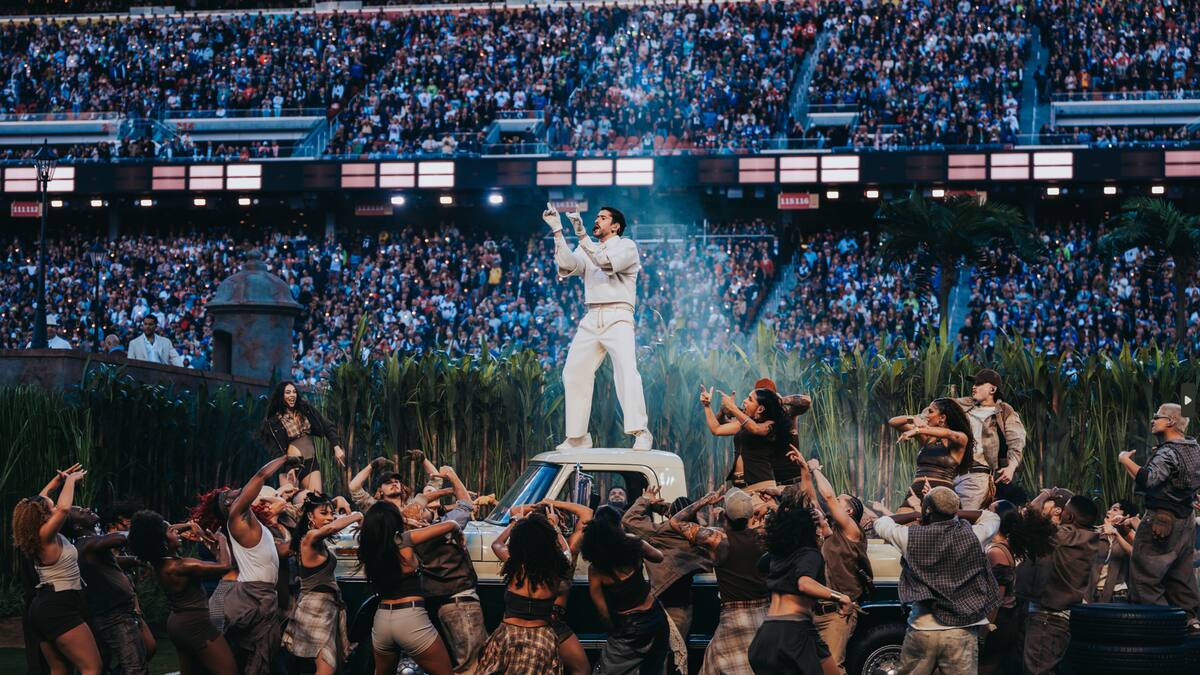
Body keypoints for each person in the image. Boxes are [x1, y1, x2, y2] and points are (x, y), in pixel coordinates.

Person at [545, 202, 652, 451]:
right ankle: (578, 437)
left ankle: (641, 431)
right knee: (573, 371)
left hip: (618, 314)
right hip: (592, 315)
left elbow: (605, 263)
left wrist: (582, 236)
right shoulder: (588, 248)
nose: (597, 220)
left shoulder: (627, 246)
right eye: (596, 217)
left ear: (615, 226)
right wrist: (558, 231)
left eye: (602, 218)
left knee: (626, 371)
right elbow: (568, 266)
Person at [873, 487, 1000, 675]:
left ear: (928, 510)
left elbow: (881, 523)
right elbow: (991, 517)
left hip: (922, 627)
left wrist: (918, 514)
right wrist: (953, 510)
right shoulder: (974, 535)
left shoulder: (909, 537)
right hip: (961, 630)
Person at [195, 455, 299, 674]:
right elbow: (261, 475)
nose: (235, 492)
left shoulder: (255, 525)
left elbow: (278, 552)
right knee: (216, 640)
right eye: (228, 495)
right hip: (249, 594)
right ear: (228, 506)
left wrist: (300, 537)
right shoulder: (236, 518)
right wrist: (286, 458)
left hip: (264, 596)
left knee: (260, 659)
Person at [748, 489, 853, 675]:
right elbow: (804, 583)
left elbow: (762, 564)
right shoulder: (810, 554)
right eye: (822, 523)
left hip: (766, 635)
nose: (826, 527)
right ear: (812, 529)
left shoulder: (778, 554)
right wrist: (841, 597)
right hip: (794, 632)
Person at [11, 464, 102, 675]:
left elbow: (39, 502)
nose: (55, 510)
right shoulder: (45, 535)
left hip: (43, 606)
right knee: (92, 667)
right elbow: (62, 509)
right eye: (49, 508)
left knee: (59, 669)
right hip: (58, 605)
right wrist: (71, 481)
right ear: (42, 516)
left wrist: (56, 482)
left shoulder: (35, 533)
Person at [1118, 402, 1200, 632]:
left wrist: (1125, 459)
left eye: (1158, 416)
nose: (1153, 420)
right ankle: (1190, 621)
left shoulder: (1168, 451)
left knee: (1145, 577)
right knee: (1182, 577)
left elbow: (1150, 479)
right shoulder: (1195, 448)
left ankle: (1163, 626)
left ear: (1171, 422)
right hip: (1186, 519)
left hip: (1162, 520)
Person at [670, 488, 769, 675]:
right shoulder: (764, 536)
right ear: (750, 514)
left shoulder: (718, 539)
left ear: (725, 515)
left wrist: (704, 501)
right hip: (763, 613)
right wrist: (771, 504)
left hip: (734, 617)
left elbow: (676, 521)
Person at [127, 513, 237, 675]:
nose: (177, 533)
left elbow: (163, 530)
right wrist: (221, 539)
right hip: (195, 623)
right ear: (162, 542)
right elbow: (225, 566)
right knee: (229, 671)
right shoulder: (182, 566)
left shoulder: (159, 562)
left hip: (177, 624)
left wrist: (189, 525)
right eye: (172, 532)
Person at [494, 499, 593, 675]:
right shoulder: (561, 561)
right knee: (581, 669)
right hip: (547, 624)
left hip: (511, 630)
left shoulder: (516, 564)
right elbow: (587, 514)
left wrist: (518, 521)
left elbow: (498, 543)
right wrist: (553, 516)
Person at [357, 500, 456, 675]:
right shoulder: (404, 540)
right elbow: (447, 526)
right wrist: (456, 528)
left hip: (381, 620)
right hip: (411, 618)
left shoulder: (368, 549)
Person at [406, 465, 487, 673]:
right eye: (426, 509)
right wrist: (452, 476)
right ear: (419, 519)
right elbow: (466, 505)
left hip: (442, 603)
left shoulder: (410, 536)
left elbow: (416, 506)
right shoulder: (442, 528)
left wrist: (440, 492)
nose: (431, 508)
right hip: (461, 603)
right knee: (472, 666)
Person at [622, 486, 713, 667]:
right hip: (683, 607)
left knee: (658, 657)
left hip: (662, 603)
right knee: (677, 657)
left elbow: (629, 519)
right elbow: (686, 515)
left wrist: (647, 500)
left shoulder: (662, 532)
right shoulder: (700, 534)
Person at [916, 370, 1027, 508]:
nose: (974, 387)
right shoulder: (962, 404)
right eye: (974, 383)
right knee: (934, 513)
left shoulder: (1004, 411)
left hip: (976, 473)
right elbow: (934, 409)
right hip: (948, 472)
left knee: (961, 518)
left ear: (992, 389)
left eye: (979, 384)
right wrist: (917, 422)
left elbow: (1016, 441)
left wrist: (1011, 467)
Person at [477, 510, 572, 674]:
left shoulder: (515, 566)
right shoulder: (555, 572)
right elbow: (566, 551)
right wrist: (555, 528)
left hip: (508, 636)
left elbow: (497, 544)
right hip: (541, 640)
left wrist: (515, 523)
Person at [581, 505, 670, 674]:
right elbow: (659, 557)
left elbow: (602, 611)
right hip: (655, 617)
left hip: (628, 627)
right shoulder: (634, 545)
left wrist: (615, 631)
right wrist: (631, 538)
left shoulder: (596, 569)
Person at [282, 493, 362, 675]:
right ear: (310, 516)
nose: (329, 517)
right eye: (324, 513)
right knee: (327, 667)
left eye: (331, 513)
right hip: (314, 608)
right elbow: (331, 528)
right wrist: (357, 515)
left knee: (330, 665)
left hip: (327, 608)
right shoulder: (309, 538)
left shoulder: (318, 542)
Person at [1021, 495, 1100, 675]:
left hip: (1047, 618)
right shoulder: (1088, 538)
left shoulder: (1063, 537)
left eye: (1064, 510)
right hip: (1062, 617)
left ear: (1070, 517)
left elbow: (1028, 515)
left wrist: (1045, 495)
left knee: (1037, 670)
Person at [808, 459, 871, 675]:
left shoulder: (853, 532)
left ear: (850, 512)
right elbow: (814, 499)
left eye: (840, 500)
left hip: (837, 613)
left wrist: (815, 468)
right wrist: (802, 468)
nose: (835, 500)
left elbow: (826, 496)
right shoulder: (832, 534)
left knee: (832, 667)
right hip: (815, 611)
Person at [74, 504, 149, 675]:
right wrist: (147, 527)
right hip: (115, 616)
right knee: (135, 668)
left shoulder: (90, 545)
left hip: (117, 612)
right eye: (79, 511)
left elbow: (111, 561)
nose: (86, 509)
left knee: (133, 659)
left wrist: (136, 560)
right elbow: (118, 540)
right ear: (77, 526)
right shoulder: (87, 543)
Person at [259, 381, 347, 492]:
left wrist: (336, 447)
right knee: (290, 505)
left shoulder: (305, 410)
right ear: (281, 396)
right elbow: (275, 451)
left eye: (294, 392)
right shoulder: (274, 422)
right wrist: (288, 468)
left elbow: (327, 425)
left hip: (310, 462)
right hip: (290, 466)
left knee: (315, 499)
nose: (292, 395)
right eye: (288, 392)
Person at [701, 386, 791, 490]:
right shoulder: (744, 424)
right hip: (740, 488)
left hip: (761, 487)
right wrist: (707, 406)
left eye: (750, 399)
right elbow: (716, 429)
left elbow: (755, 429)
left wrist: (732, 407)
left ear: (760, 409)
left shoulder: (770, 424)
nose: (744, 401)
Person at [888, 398, 975, 503]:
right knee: (897, 519)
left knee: (936, 518)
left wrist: (916, 430)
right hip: (918, 489)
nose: (926, 416)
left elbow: (948, 433)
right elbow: (893, 422)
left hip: (942, 492)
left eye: (930, 412)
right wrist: (912, 418)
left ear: (942, 417)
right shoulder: (927, 438)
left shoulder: (960, 437)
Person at [1090, 499, 1137, 603]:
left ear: (1125, 516)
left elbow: (1136, 554)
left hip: (1118, 594)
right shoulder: (1097, 533)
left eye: (1115, 510)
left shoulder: (1127, 535)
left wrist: (1118, 531)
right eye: (1110, 508)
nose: (1109, 511)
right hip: (1094, 593)